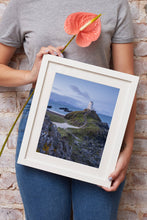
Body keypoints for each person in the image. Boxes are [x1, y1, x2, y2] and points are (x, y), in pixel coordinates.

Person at [0, 0, 136, 219]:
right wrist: (30, 75)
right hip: (38, 125)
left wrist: (126, 148)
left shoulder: (115, 4)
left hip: (104, 142)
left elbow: (128, 83)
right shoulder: (22, 4)